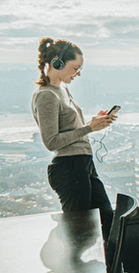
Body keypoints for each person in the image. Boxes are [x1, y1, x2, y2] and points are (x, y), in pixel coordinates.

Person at [31, 38, 117, 240]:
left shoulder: (62, 90)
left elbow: (71, 128)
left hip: (83, 163)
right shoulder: (46, 96)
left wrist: (93, 123)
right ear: (57, 63)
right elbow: (51, 142)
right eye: (75, 68)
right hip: (69, 167)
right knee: (80, 233)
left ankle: (113, 271)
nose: (77, 74)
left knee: (107, 220)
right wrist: (88, 128)